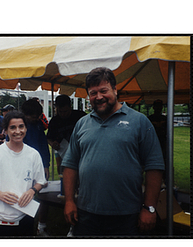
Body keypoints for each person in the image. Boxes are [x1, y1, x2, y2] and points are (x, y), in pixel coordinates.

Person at [62, 67, 165, 236]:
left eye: (104, 91)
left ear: (115, 90)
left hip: (126, 214)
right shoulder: (81, 124)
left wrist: (149, 208)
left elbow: (154, 167)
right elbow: (70, 165)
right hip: (86, 212)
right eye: (93, 93)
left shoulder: (139, 121)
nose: (99, 97)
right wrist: (69, 201)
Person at [0, 111, 47, 237]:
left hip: (25, 215)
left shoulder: (33, 154)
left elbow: (41, 181)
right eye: (12, 127)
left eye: (21, 126)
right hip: (0, 216)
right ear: (5, 130)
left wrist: (32, 191)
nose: (17, 131)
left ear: (26, 128)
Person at [21, 99, 50, 236]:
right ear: (25, 114)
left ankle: (41, 226)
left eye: (37, 116)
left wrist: (46, 165)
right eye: (33, 116)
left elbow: (43, 146)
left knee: (42, 194)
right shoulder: (19, 126)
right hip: (23, 168)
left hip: (38, 165)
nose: (35, 119)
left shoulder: (38, 125)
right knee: (26, 196)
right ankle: (24, 226)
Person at [47, 94, 86, 174]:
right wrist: (53, 144)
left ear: (70, 107)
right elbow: (49, 138)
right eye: (60, 112)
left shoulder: (80, 116)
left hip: (80, 151)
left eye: (65, 111)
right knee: (63, 171)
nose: (63, 114)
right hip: (62, 152)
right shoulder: (54, 121)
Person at [148, 99, 167, 178]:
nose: (158, 108)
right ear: (153, 107)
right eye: (157, 106)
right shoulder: (150, 118)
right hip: (152, 143)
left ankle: (164, 179)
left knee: (164, 161)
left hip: (163, 143)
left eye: (160, 106)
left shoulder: (165, 118)